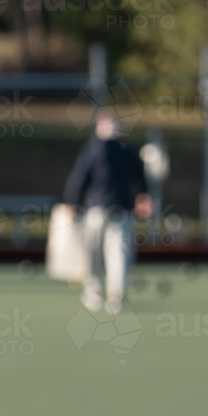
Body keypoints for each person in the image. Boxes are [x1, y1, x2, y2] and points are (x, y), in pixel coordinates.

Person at [63, 111, 153, 313]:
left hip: (98, 210)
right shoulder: (126, 149)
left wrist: (71, 202)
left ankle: (95, 293)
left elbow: (78, 178)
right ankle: (115, 297)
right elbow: (141, 178)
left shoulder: (93, 149)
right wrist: (143, 196)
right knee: (118, 254)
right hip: (119, 209)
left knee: (94, 254)